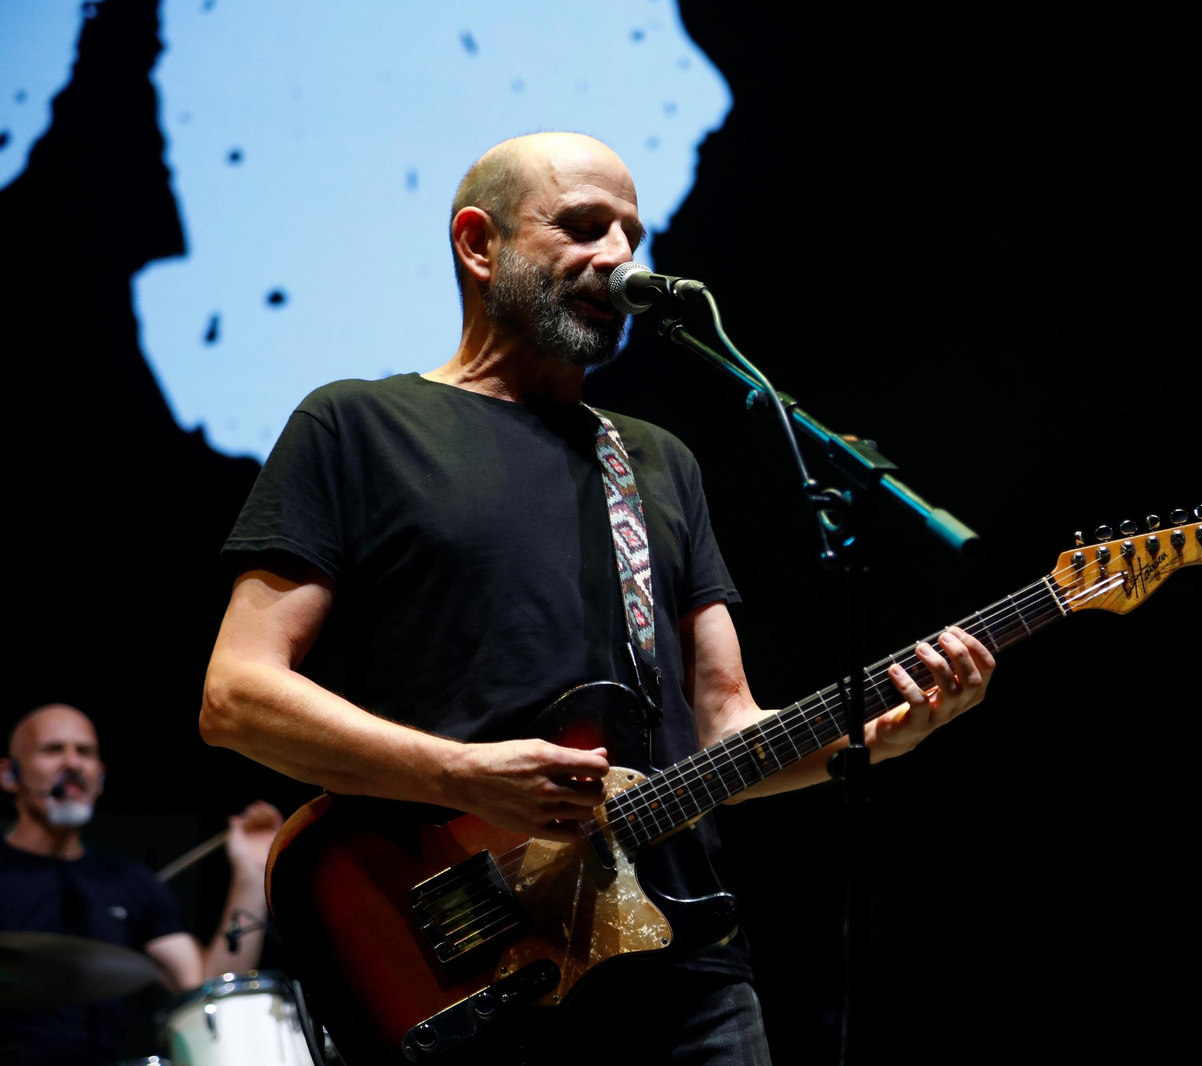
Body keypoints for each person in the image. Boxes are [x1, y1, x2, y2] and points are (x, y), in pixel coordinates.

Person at [198, 131, 996, 1065]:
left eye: (630, 232)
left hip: (687, 964)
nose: (618, 257)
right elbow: (237, 697)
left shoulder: (655, 461)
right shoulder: (359, 426)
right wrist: (462, 775)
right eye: (582, 227)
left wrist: (872, 739)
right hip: (480, 971)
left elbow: (729, 729)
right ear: (478, 244)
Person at [0, 703, 283, 1065]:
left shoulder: (130, 883)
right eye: (52, 749)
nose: (73, 763)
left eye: (85, 752)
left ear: (100, 777)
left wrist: (251, 872)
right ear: (9, 775)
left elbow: (205, 988)